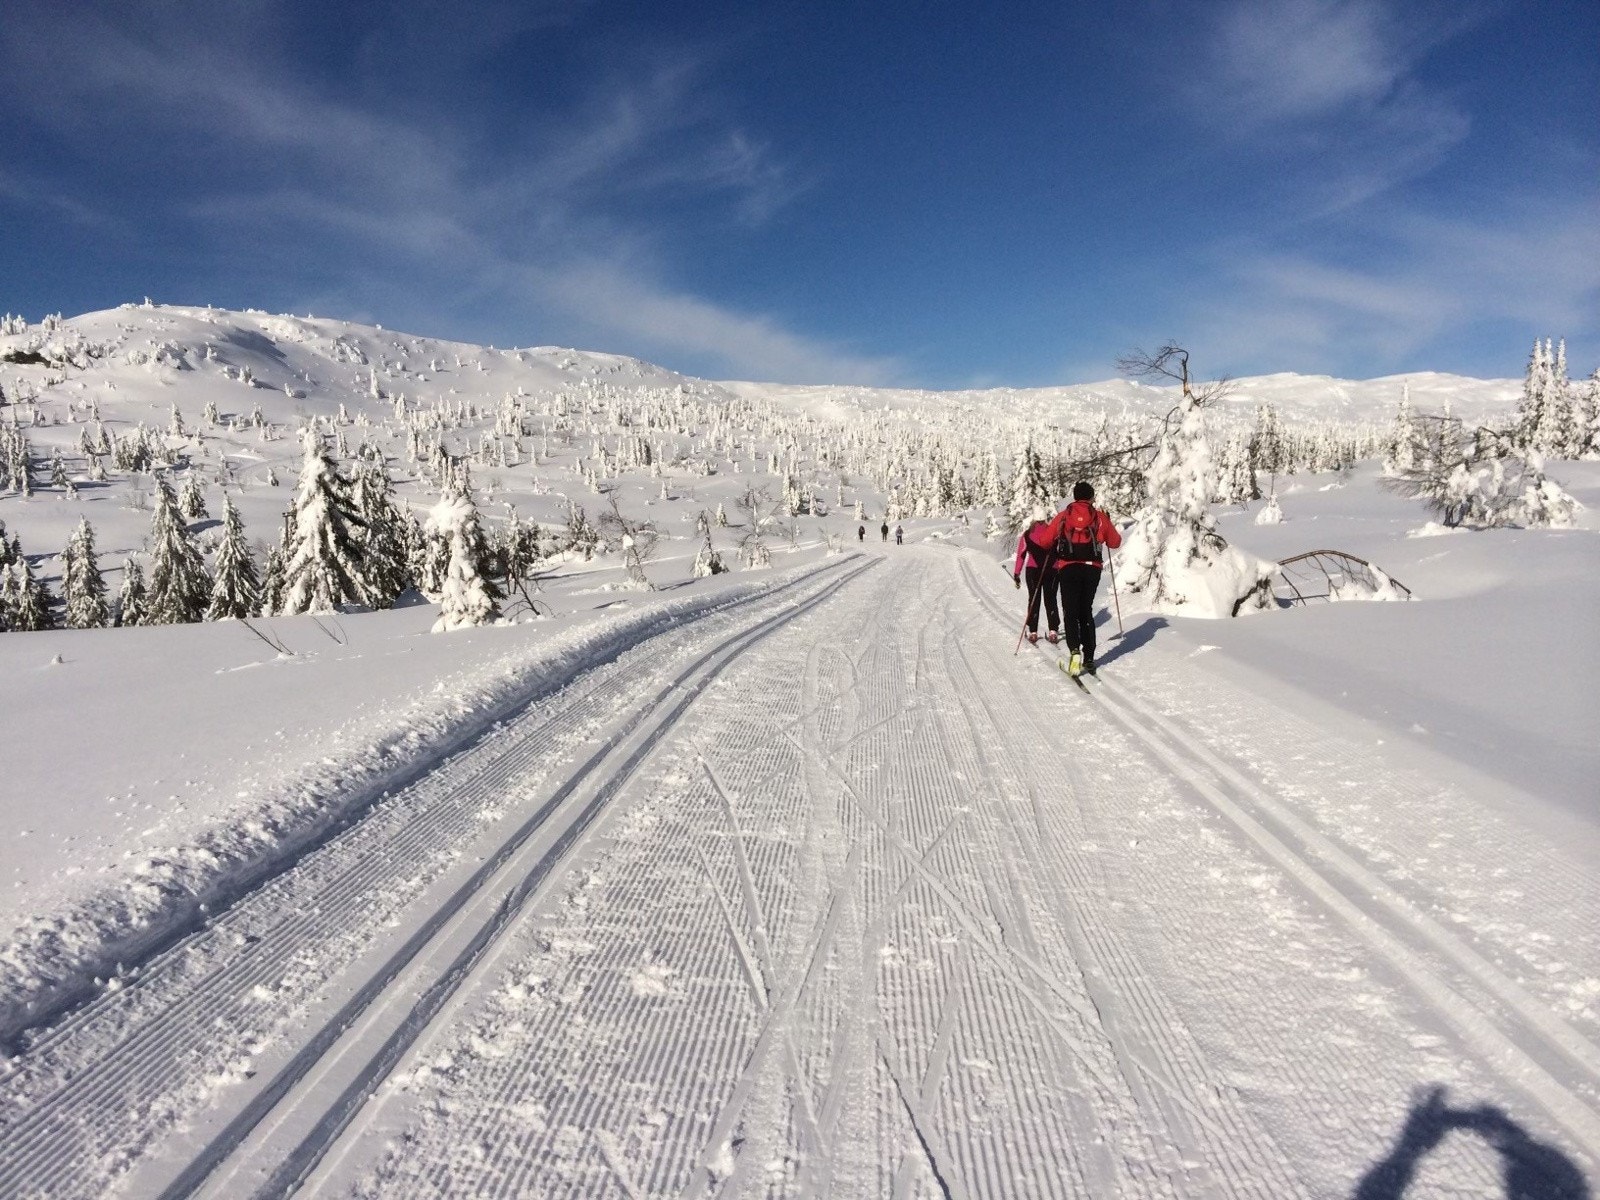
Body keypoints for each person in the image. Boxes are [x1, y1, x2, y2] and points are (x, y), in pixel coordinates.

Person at [1044, 481, 1121, 675]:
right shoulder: (1100, 517)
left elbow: (1045, 541)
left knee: (1070, 611)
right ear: (1091, 497)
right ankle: (1089, 657)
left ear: (1075, 496)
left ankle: (1074, 651)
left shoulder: (1063, 517)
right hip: (1091, 569)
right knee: (1085, 611)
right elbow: (1115, 542)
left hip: (1068, 568)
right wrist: (1107, 523)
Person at [1011, 506, 1059, 644]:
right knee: (1051, 599)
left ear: (1033, 517)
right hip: (1052, 570)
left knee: (1034, 600)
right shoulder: (1054, 533)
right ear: (1045, 518)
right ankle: (1053, 631)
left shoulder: (1027, 535)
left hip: (1033, 570)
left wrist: (1017, 573)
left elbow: (1021, 555)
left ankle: (1033, 631)